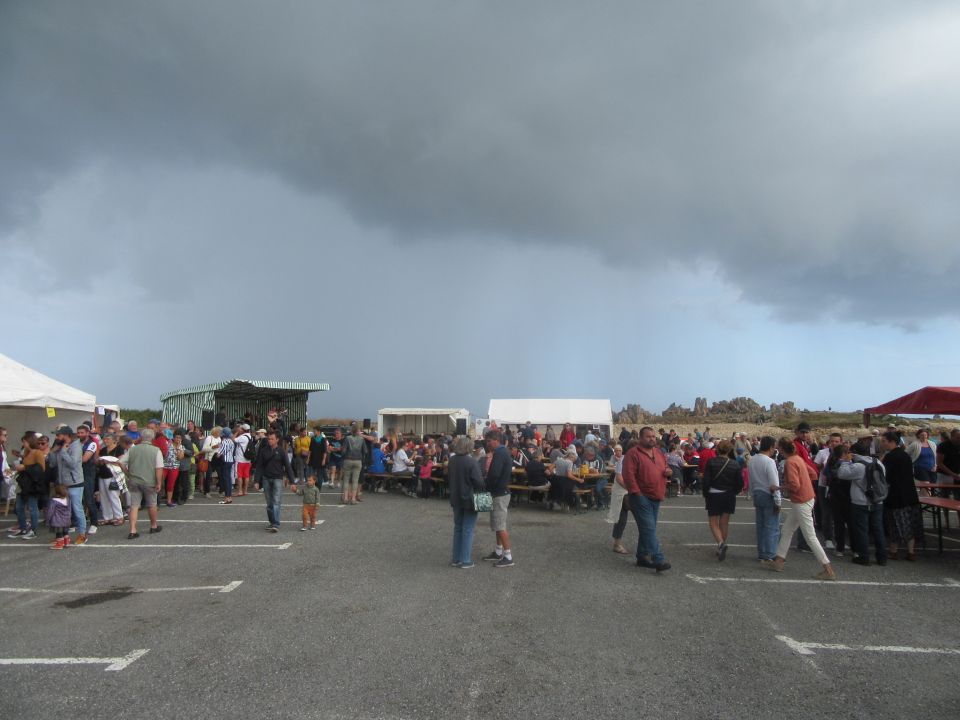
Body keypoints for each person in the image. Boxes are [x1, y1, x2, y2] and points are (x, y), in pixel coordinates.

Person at [766, 437, 836, 580]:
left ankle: (828, 568)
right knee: (787, 529)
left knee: (810, 536)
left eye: (778, 448)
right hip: (806, 498)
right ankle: (779, 561)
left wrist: (778, 487)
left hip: (801, 501)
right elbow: (813, 474)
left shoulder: (790, 462)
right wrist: (804, 483)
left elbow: (794, 485)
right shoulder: (798, 459)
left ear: (782, 449)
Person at [621, 427, 672, 572]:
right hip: (640, 497)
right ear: (641, 438)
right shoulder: (633, 453)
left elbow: (666, 466)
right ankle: (658, 559)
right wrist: (636, 493)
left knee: (648, 528)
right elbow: (628, 475)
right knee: (649, 529)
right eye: (648, 436)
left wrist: (668, 471)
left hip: (656, 495)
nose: (652, 439)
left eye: (654, 437)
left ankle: (642, 557)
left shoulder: (658, 452)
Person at [837, 445, 888, 566]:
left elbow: (841, 474)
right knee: (878, 529)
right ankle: (882, 557)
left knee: (861, 530)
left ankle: (864, 556)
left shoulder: (858, 466)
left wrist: (845, 461)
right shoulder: (879, 464)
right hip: (877, 500)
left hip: (861, 502)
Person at [701, 439, 744, 561]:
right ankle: (721, 546)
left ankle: (720, 544)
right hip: (729, 495)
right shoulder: (735, 464)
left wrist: (705, 494)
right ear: (730, 450)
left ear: (717, 449)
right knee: (724, 523)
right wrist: (733, 492)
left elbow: (706, 481)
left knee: (713, 522)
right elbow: (739, 483)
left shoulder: (711, 462)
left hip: (714, 494)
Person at [881, 430, 921, 561]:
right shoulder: (905, 455)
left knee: (894, 525)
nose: (882, 443)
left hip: (895, 496)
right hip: (910, 494)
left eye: (884, 441)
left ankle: (894, 551)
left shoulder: (890, 457)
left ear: (892, 442)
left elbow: (884, 476)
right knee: (910, 524)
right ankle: (911, 552)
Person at [448, 435, 485, 568]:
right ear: (469, 447)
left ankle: (456, 558)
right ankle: (465, 560)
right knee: (468, 529)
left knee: (458, 528)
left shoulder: (451, 460)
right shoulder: (472, 462)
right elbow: (479, 482)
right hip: (469, 499)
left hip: (455, 497)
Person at [481, 430, 515, 567]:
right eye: (486, 441)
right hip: (500, 492)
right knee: (497, 524)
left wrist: (484, 484)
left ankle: (508, 556)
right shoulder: (502, 452)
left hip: (499, 493)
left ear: (496, 440)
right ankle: (498, 551)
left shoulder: (500, 453)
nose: (487, 444)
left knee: (500, 525)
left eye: (489, 441)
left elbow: (494, 474)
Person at [49, 426, 87, 545]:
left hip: (75, 483)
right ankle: (64, 536)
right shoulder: (60, 445)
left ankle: (82, 534)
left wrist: (64, 452)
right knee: (63, 511)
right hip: (62, 484)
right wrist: (52, 452)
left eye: (58, 435)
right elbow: (53, 464)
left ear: (66, 435)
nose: (57, 437)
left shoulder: (76, 446)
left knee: (77, 509)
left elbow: (73, 464)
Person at [125, 428, 164, 539]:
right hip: (149, 481)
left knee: (134, 505)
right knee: (152, 504)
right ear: (152, 438)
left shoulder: (133, 449)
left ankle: (132, 530)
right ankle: (153, 525)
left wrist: (128, 473)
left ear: (141, 437)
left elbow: (120, 462)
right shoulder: (156, 450)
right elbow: (159, 468)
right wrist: (159, 482)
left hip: (134, 480)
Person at [253, 430, 294, 532]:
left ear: (277, 440)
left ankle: (276, 524)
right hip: (266, 478)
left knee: (276, 501)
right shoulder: (263, 451)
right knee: (269, 503)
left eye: (272, 439)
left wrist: (292, 482)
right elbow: (259, 467)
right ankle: (272, 522)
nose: (269, 441)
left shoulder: (281, 451)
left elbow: (288, 467)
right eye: (268, 439)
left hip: (277, 478)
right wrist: (256, 481)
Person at [749, 436, 782, 562]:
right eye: (774, 447)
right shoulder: (769, 462)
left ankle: (762, 553)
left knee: (761, 525)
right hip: (768, 494)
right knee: (772, 526)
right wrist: (778, 501)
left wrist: (752, 494)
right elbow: (774, 482)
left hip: (757, 494)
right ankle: (771, 554)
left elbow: (751, 480)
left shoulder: (752, 460)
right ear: (770, 447)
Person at [10, 433, 45, 539]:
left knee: (32, 506)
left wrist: (24, 467)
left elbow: (41, 468)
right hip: (24, 482)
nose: (23, 444)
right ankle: (23, 528)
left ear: (29, 442)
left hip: (32, 483)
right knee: (19, 506)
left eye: (24, 442)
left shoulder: (37, 452)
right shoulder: (26, 452)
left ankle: (33, 530)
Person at [95, 433, 125, 525]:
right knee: (104, 496)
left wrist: (107, 461)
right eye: (105, 439)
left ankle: (119, 517)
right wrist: (99, 461)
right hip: (102, 474)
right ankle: (107, 517)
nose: (105, 441)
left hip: (113, 475)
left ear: (113, 440)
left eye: (108, 439)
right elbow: (97, 461)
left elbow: (120, 462)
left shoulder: (119, 449)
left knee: (114, 496)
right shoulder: (103, 450)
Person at [76, 423, 100, 534]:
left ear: (87, 433)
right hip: (77, 473)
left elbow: (85, 459)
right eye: (78, 432)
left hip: (88, 473)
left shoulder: (92, 444)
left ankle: (94, 523)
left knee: (89, 499)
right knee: (78, 500)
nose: (79, 434)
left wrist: (72, 460)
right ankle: (80, 522)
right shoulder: (76, 443)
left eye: (82, 433)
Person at [340, 424, 367, 505]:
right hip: (358, 460)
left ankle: (345, 498)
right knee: (355, 481)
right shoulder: (362, 439)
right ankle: (353, 499)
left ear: (351, 431)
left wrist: (343, 457)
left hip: (348, 460)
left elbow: (344, 450)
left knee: (346, 480)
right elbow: (365, 451)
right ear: (358, 431)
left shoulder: (347, 438)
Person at [46, 484, 73, 549]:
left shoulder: (54, 501)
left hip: (57, 520)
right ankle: (66, 542)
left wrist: (48, 520)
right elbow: (70, 509)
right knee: (65, 531)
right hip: (66, 519)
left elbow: (50, 511)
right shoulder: (67, 499)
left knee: (59, 532)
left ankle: (59, 544)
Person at [162, 429, 181, 508]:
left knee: (171, 484)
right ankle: (155, 500)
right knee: (159, 482)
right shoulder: (168, 444)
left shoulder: (181, 447)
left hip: (174, 467)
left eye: (179, 438)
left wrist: (177, 449)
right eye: (176, 437)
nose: (178, 439)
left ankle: (169, 501)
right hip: (164, 466)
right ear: (173, 438)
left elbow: (180, 457)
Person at [217, 428, 236, 504]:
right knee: (228, 479)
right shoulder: (231, 441)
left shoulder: (224, 441)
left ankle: (227, 497)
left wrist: (217, 454)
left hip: (225, 461)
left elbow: (220, 453)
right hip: (230, 461)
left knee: (225, 479)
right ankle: (229, 497)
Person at [233, 425, 252, 496]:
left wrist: (237, 432)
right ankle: (245, 490)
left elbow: (233, 439)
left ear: (243, 430)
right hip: (248, 460)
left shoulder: (242, 437)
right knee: (246, 475)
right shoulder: (250, 437)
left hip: (240, 459)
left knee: (239, 476)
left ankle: (240, 491)